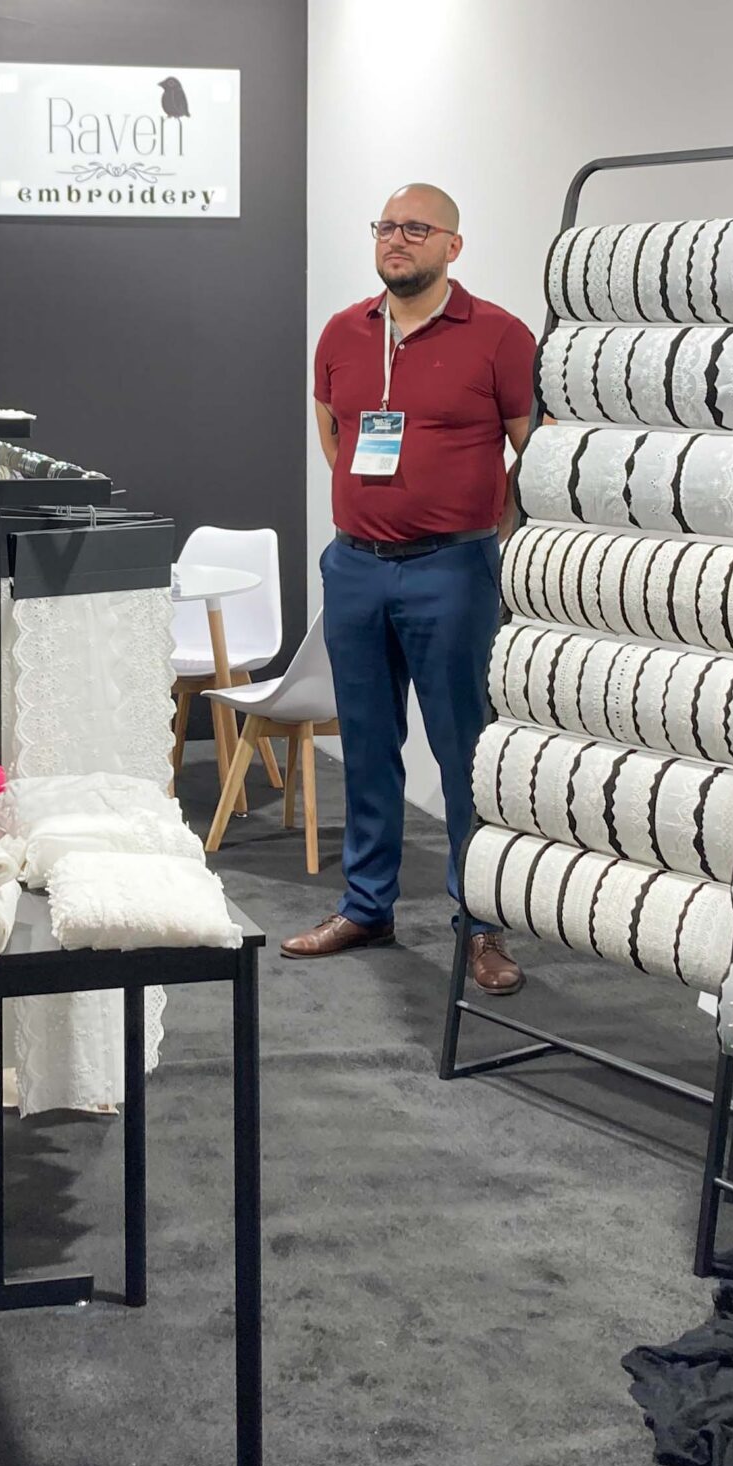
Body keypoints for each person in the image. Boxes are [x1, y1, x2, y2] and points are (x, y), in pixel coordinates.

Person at [286, 183, 537, 993]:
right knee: (366, 742)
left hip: (452, 570)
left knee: (467, 750)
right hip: (355, 567)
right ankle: (367, 906)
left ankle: (482, 922)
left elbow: (532, 448)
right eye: (387, 227)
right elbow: (333, 430)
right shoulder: (342, 332)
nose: (397, 240)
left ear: (452, 246)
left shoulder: (499, 335)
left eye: (417, 229)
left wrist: (482, 524)